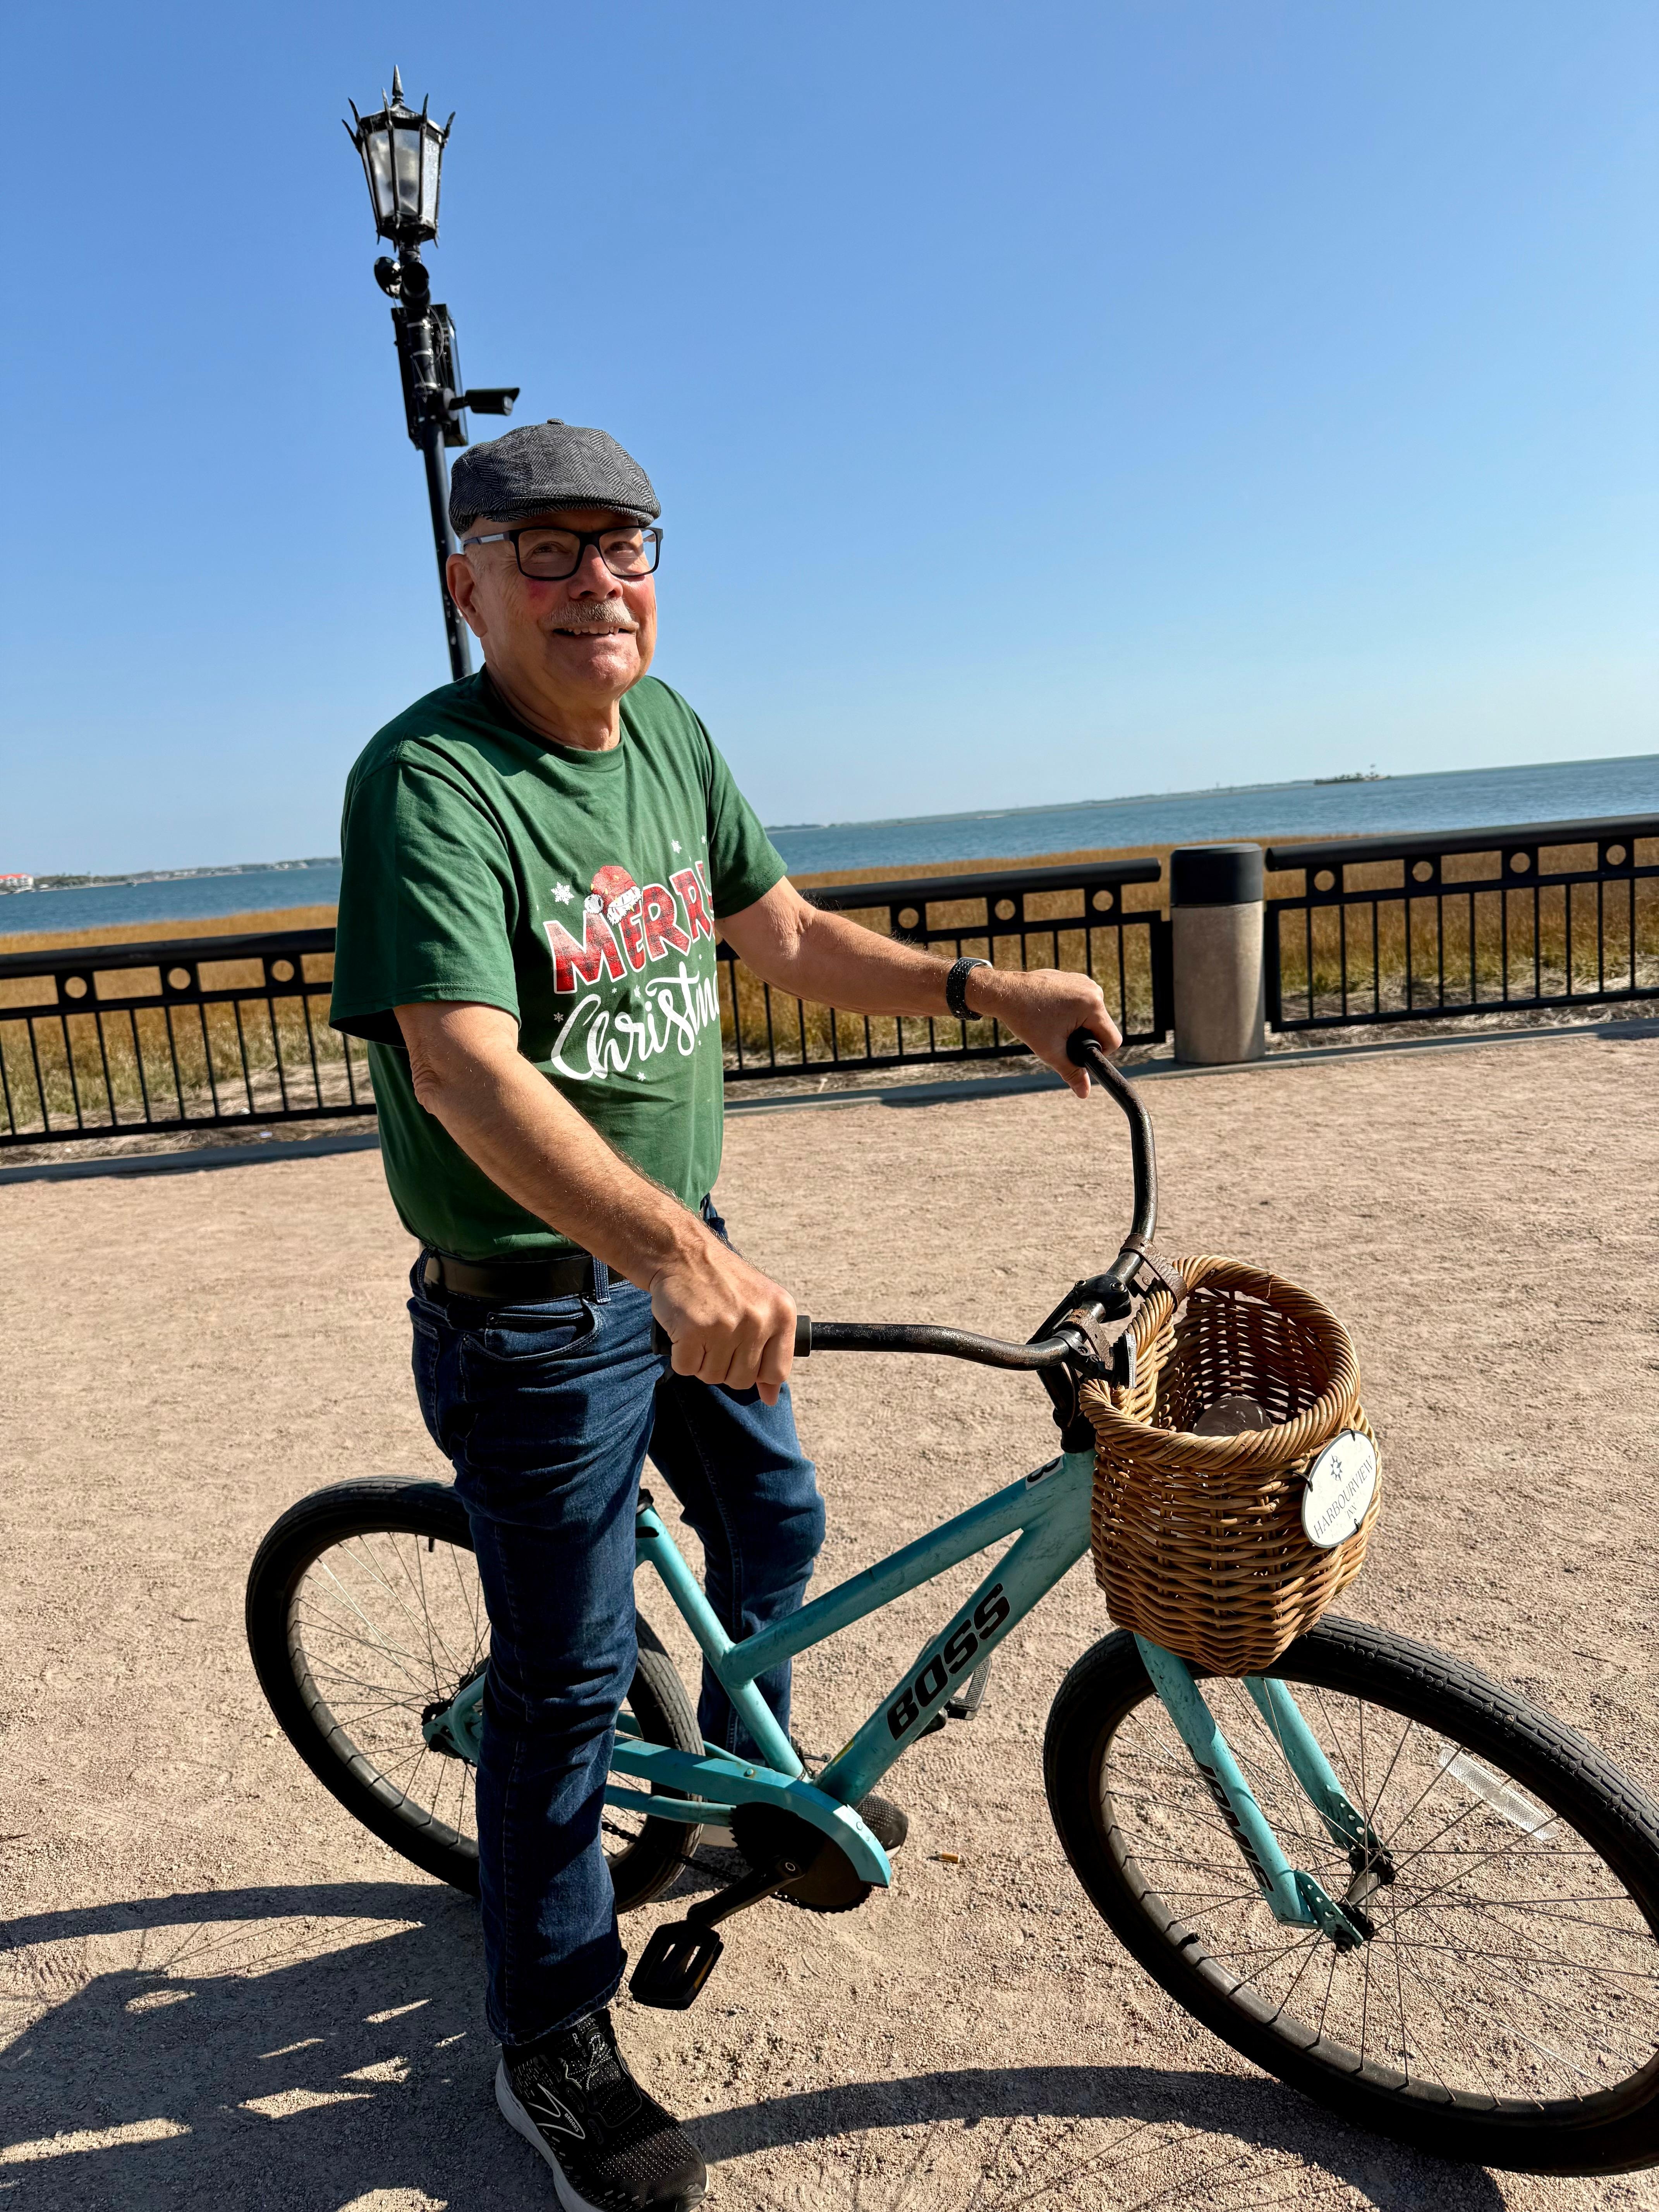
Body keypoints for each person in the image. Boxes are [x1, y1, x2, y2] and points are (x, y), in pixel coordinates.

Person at [330, 419, 1123, 2212]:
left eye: (626, 546)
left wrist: (983, 988)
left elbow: (779, 935)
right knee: (563, 1681)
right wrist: (669, 1262)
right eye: (547, 552)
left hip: (682, 1245)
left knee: (778, 1514)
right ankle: (551, 2037)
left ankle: (733, 1786)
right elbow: (461, 1069)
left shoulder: (669, 736)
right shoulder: (432, 783)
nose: (595, 580)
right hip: (536, 1305)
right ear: (469, 583)